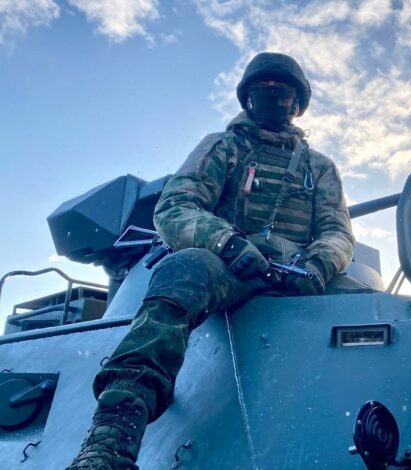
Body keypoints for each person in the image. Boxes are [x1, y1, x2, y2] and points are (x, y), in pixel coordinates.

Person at [66, 52, 354, 470]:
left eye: (283, 90)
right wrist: (228, 244)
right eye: (263, 88)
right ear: (247, 98)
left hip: (296, 272)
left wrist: (319, 266)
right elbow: (176, 207)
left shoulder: (319, 167)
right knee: (183, 272)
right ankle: (111, 439)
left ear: (298, 102)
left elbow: (337, 231)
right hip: (229, 266)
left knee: (372, 305)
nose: (273, 95)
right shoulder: (224, 147)